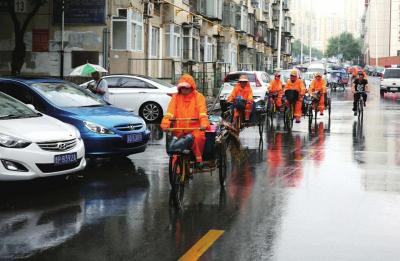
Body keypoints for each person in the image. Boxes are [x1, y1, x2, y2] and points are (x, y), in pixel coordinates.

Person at [160, 74, 209, 164]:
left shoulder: (199, 97)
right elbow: (170, 113)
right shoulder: (176, 97)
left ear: (191, 87)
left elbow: (202, 113)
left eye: (186, 87)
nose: (184, 89)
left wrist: (204, 124)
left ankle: (198, 160)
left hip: (195, 129)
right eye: (182, 87)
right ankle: (178, 171)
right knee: (174, 147)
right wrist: (165, 124)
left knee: (198, 139)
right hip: (179, 130)